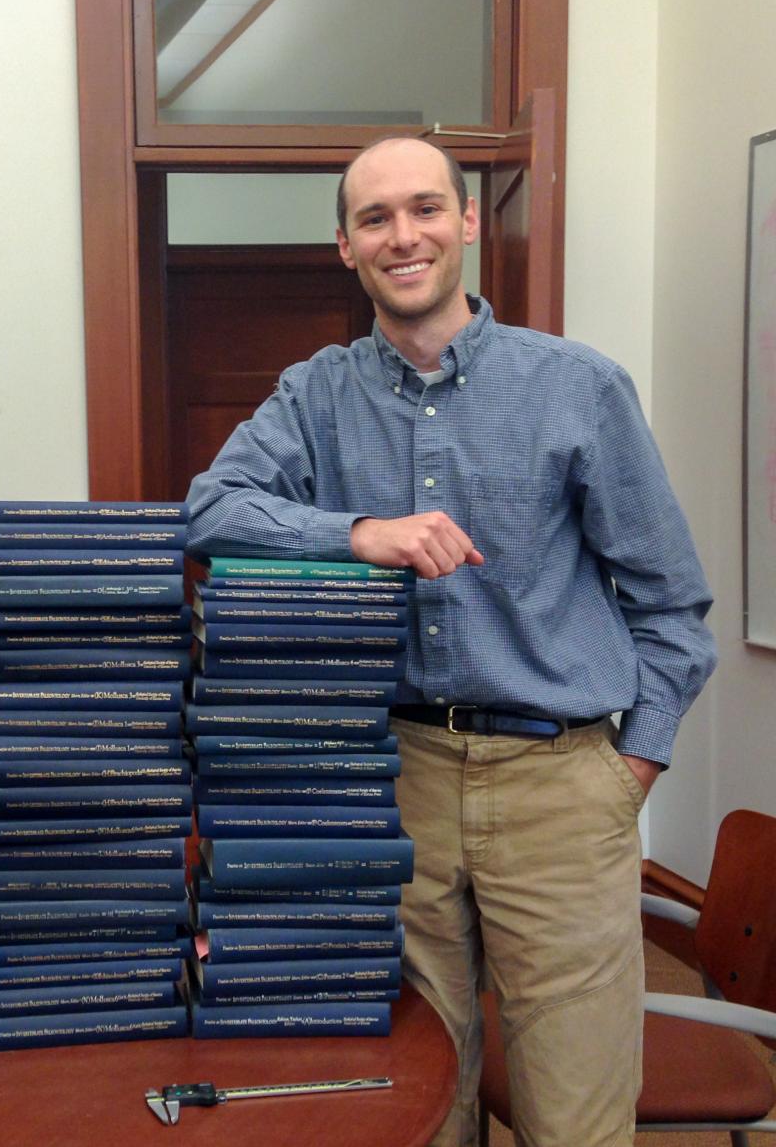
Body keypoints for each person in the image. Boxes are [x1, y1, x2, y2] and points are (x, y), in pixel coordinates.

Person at [185, 137, 716, 1147]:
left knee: (575, 1112)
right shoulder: (318, 394)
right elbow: (209, 512)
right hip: (397, 783)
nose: (404, 235)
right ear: (344, 246)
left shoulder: (577, 386)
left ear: (468, 222)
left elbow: (670, 603)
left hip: (562, 782)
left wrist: (628, 767)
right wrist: (354, 534)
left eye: (425, 208)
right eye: (376, 218)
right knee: (420, 1097)